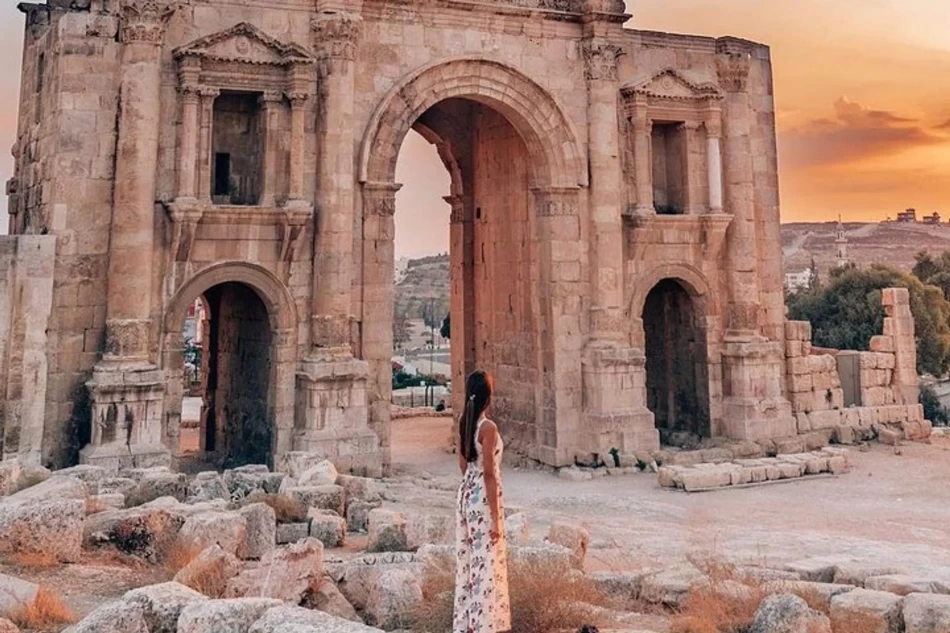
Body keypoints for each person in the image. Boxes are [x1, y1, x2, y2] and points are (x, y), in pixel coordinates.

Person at [454, 370, 510, 633]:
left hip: (465, 494)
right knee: (484, 566)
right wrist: (496, 518)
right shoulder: (488, 428)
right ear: (488, 396)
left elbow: (463, 465)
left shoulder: (464, 422)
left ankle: (467, 626)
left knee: (468, 564)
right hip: (482, 498)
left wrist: (471, 487)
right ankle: (483, 627)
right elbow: (489, 473)